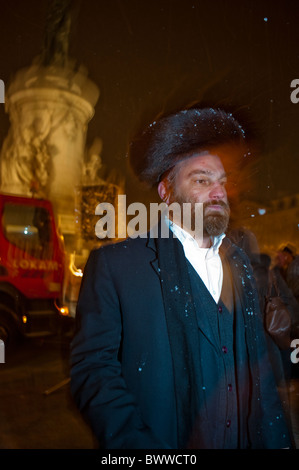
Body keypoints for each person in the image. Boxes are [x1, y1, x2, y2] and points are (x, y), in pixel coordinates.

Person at [70, 106, 293, 449]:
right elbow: (93, 372)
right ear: (167, 192)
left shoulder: (244, 267)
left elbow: (259, 373)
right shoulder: (115, 266)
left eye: (221, 182)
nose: (218, 193)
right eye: (202, 180)